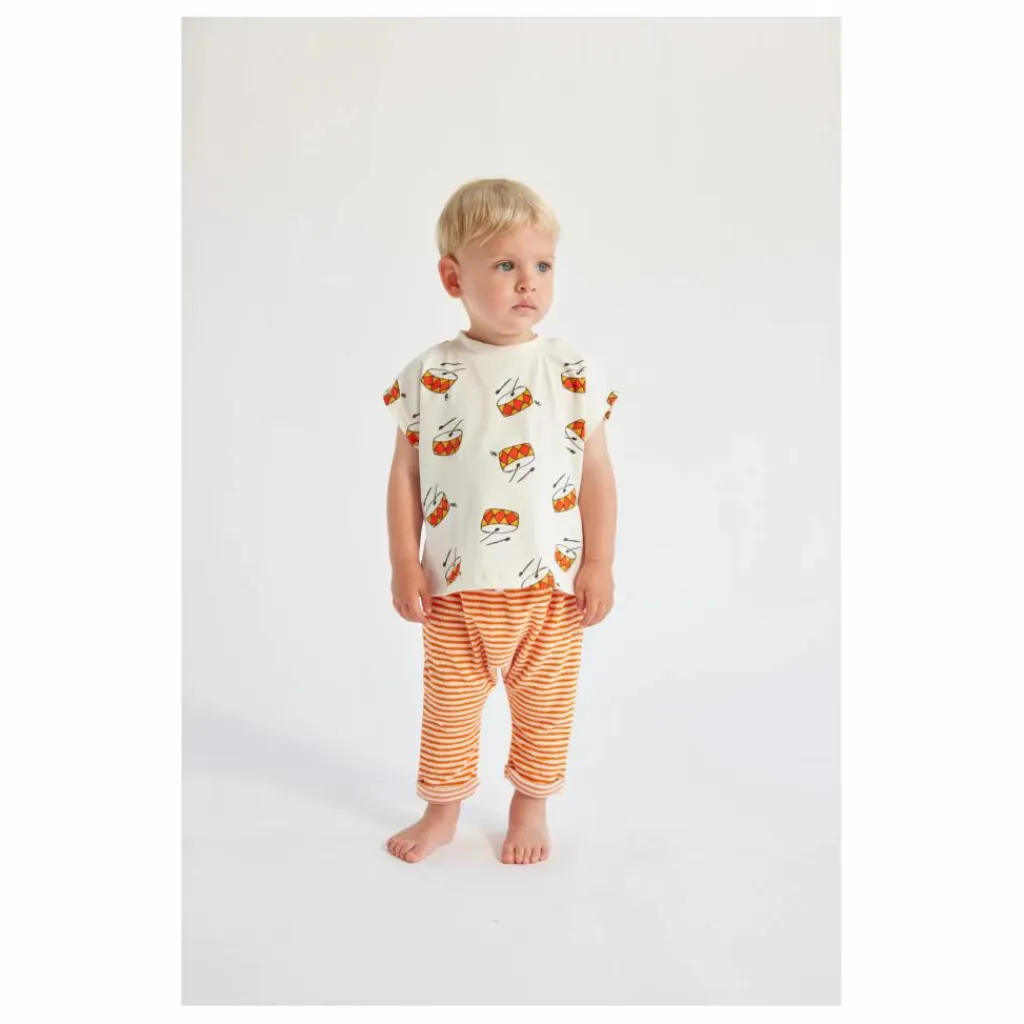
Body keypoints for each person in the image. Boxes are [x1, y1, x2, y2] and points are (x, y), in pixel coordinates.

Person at [381, 178, 619, 865]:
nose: (528, 283)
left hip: (550, 590)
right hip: (454, 590)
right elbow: (405, 475)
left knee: (545, 710)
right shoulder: (430, 374)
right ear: (453, 277)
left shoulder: (571, 370)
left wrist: (599, 562)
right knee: (448, 711)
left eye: (543, 265)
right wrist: (404, 560)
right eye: (506, 264)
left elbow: (596, 473)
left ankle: (530, 807)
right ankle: (442, 812)